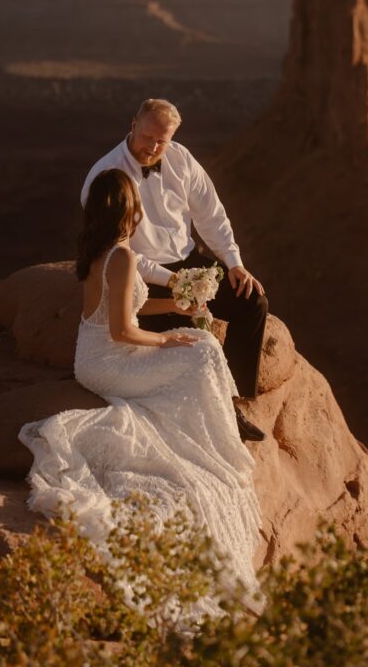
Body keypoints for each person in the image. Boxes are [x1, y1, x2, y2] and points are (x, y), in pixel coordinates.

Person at [19, 168, 261, 612]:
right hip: (110, 362)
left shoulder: (102, 251)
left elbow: (132, 301)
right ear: (128, 209)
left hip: (92, 358)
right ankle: (219, 439)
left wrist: (181, 306)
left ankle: (212, 424)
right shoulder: (124, 257)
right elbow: (125, 329)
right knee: (200, 353)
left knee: (201, 342)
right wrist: (168, 338)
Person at [81, 98, 267, 442]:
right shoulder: (105, 178)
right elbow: (118, 254)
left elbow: (211, 214)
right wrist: (176, 284)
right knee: (190, 343)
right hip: (143, 272)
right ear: (132, 124)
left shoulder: (181, 158)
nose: (153, 147)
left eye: (161, 141)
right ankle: (216, 412)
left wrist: (233, 262)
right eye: (147, 136)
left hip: (188, 258)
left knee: (252, 302)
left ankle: (236, 399)